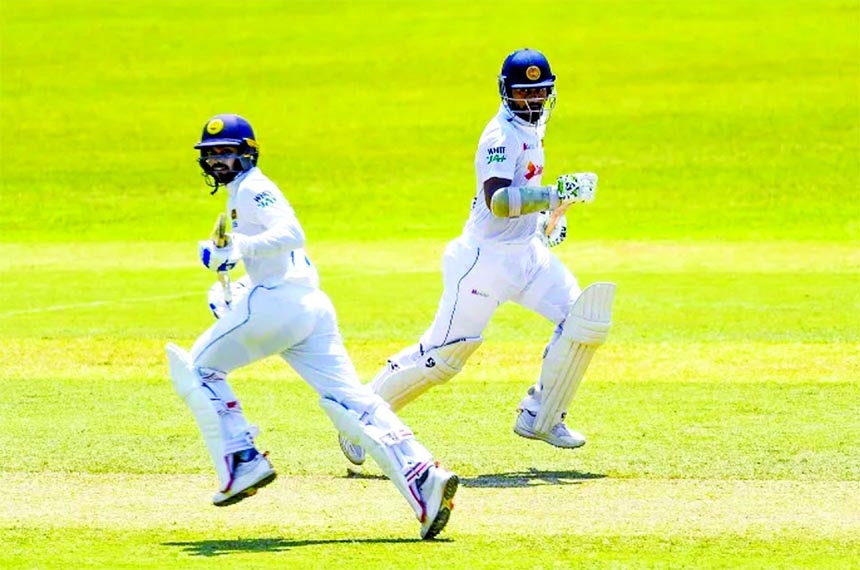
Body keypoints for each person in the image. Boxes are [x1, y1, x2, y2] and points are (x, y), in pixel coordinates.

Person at [166, 113, 458, 540]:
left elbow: (292, 233)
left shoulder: (254, 188)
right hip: (309, 306)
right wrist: (238, 281)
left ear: (248, 153)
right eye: (211, 154)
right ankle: (422, 477)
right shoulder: (241, 192)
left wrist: (237, 250)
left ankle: (241, 460)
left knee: (198, 370)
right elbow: (285, 257)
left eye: (227, 152)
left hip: (280, 303)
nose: (218, 161)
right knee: (349, 400)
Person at [339, 48, 616, 466]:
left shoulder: (536, 125)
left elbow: (522, 198)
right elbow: (499, 200)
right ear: (506, 93)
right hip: (482, 263)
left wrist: (548, 218)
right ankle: (361, 419)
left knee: (585, 321)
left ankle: (541, 416)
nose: (534, 100)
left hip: (527, 257)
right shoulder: (499, 136)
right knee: (444, 359)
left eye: (541, 91)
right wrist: (555, 194)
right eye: (525, 93)